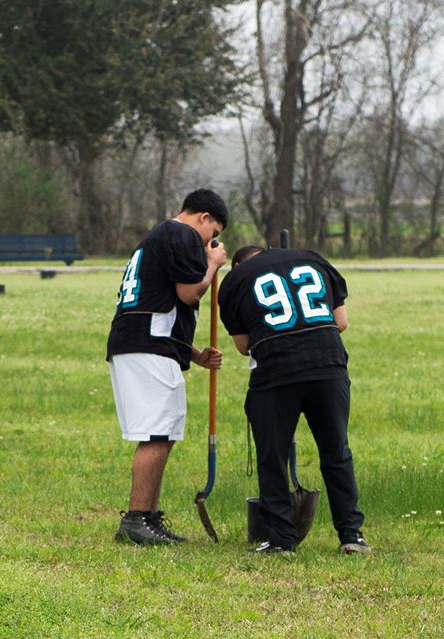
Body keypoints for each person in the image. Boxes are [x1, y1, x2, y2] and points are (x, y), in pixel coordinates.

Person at [215, 231, 366, 554]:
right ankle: (352, 535)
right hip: (328, 364)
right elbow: (340, 322)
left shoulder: (236, 279)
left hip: (275, 373)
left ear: (239, 264)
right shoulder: (313, 259)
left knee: (272, 456)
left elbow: (244, 347)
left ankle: (282, 539)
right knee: (336, 451)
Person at [106, 190, 229, 545]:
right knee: (157, 433)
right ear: (203, 217)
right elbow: (189, 293)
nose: (211, 241)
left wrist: (194, 354)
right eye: (214, 232)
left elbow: (158, 306)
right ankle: (136, 520)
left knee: (162, 431)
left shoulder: (158, 237)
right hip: (147, 348)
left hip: (142, 341)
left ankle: (148, 517)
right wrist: (213, 264)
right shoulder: (183, 234)